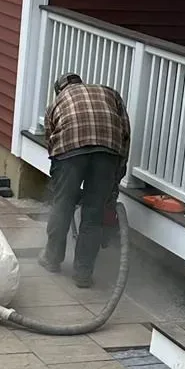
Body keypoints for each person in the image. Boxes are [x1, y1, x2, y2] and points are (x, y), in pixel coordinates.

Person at [40, 72, 130, 288]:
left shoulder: (57, 103)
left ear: (59, 89)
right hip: (108, 151)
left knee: (62, 206)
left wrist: (61, 185)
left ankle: (52, 259)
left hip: (70, 151)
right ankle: (83, 274)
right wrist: (117, 176)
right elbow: (125, 134)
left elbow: (51, 144)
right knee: (93, 214)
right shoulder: (109, 93)